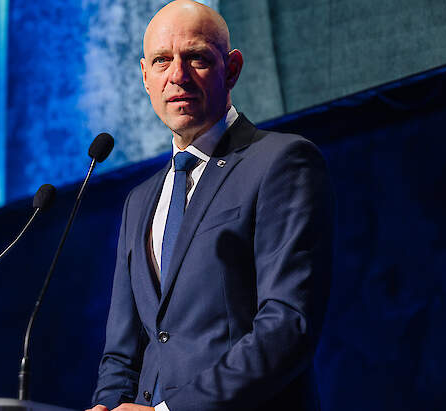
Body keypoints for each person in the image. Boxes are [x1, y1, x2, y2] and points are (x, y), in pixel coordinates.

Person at [88, 1, 333, 411]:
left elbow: (287, 324)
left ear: (231, 68)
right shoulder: (139, 201)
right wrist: (107, 405)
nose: (177, 76)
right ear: (145, 76)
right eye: (162, 61)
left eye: (196, 58)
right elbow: (121, 353)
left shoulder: (281, 162)